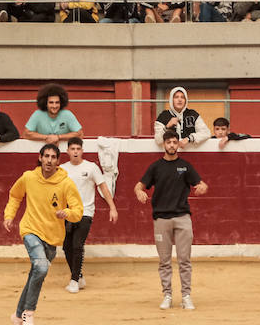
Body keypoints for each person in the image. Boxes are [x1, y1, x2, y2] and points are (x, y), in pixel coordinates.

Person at [2, 143, 83, 325]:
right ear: (40, 158)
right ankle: (29, 311)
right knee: (41, 267)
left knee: (35, 275)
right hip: (30, 229)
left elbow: (78, 211)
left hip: (52, 238)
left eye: (53, 157)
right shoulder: (29, 177)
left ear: (58, 161)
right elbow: (15, 195)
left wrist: (67, 213)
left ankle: (18, 316)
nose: (49, 160)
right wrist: (9, 215)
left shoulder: (65, 183)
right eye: (46, 156)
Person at [136, 129, 207, 310]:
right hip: (161, 219)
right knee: (164, 261)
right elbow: (139, 185)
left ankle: (186, 296)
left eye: (175, 142)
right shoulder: (155, 167)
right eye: (169, 142)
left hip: (182, 217)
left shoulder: (185, 166)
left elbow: (201, 183)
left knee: (184, 260)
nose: (172, 145)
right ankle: (167, 294)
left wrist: (202, 187)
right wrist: (139, 192)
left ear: (178, 144)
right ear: (163, 144)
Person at [60, 136, 119, 294]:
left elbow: (104, 188)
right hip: (68, 213)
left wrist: (112, 207)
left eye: (78, 149)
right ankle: (78, 275)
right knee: (67, 247)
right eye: (72, 149)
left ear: (82, 151)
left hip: (86, 211)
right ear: (67, 151)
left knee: (78, 245)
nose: (75, 152)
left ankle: (73, 281)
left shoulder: (91, 167)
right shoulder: (62, 169)